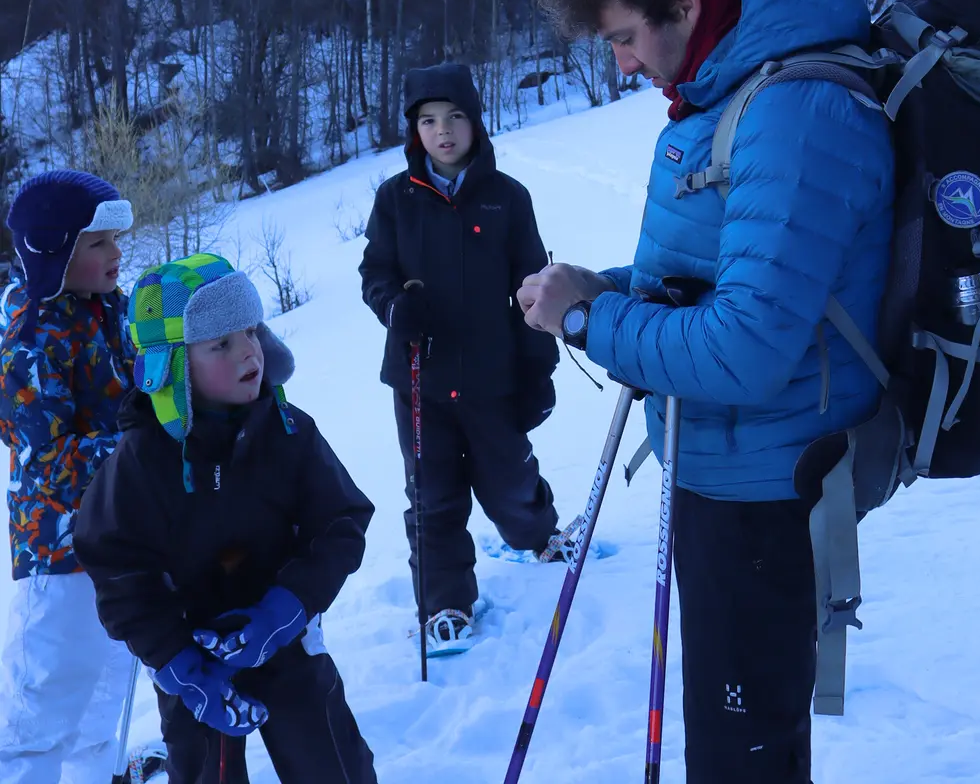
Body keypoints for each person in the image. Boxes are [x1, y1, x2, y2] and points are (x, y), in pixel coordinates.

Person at [518, 0, 895, 783]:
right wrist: (597, 290)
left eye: (623, 38)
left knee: (742, 759)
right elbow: (720, 279)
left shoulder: (793, 111)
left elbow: (746, 347)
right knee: (730, 747)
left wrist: (590, 318)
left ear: (685, 4)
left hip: (767, 493)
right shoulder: (732, 89)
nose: (620, 65)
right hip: (723, 471)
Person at [74, 253, 377, 784]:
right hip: (193, 659)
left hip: (285, 638)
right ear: (172, 365)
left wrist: (286, 609)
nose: (248, 353)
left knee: (332, 766)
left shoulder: (287, 430)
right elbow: (117, 571)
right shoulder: (141, 462)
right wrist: (176, 665)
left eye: (250, 333)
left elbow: (341, 522)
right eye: (220, 344)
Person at [359, 63, 567, 652]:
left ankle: (540, 534)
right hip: (419, 379)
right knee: (432, 495)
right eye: (428, 120)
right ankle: (444, 604)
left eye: (454, 117)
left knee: (509, 479)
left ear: (475, 122)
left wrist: (537, 366)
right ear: (413, 131)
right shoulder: (395, 199)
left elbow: (533, 286)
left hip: (491, 373)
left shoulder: (507, 198)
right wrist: (395, 307)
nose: (443, 131)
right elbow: (375, 272)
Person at [0, 170, 136, 783]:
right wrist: (141, 452)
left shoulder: (114, 310)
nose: (117, 254)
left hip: (123, 534)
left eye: (115, 239)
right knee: (42, 705)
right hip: (57, 548)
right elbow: (44, 457)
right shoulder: (30, 338)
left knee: (105, 692)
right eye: (98, 243)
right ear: (54, 252)